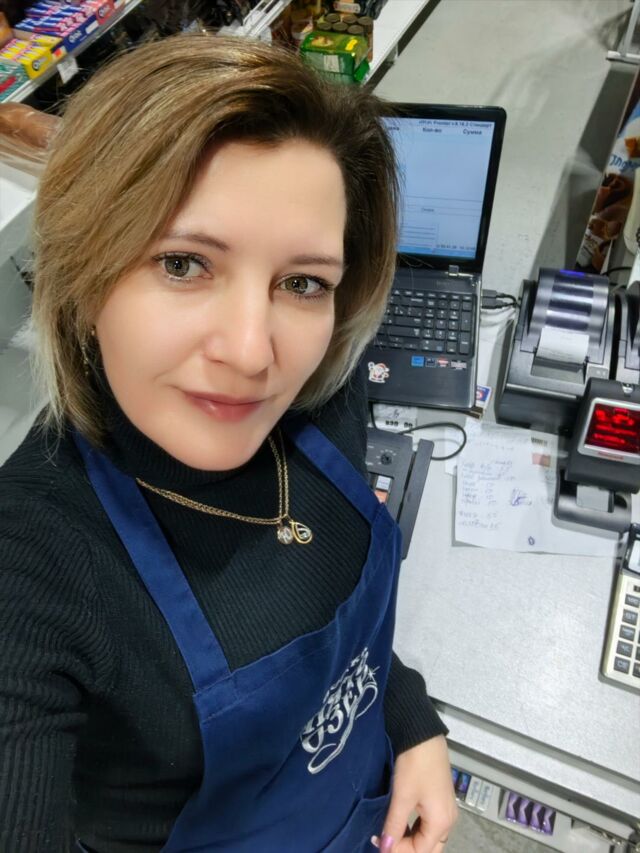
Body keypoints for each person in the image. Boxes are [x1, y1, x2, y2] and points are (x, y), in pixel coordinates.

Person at [0, 33, 458, 853]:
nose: (252, 354)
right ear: (82, 272)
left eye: (302, 282)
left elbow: (347, 622)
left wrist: (408, 715)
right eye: (183, 264)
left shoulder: (321, 391)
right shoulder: (31, 561)